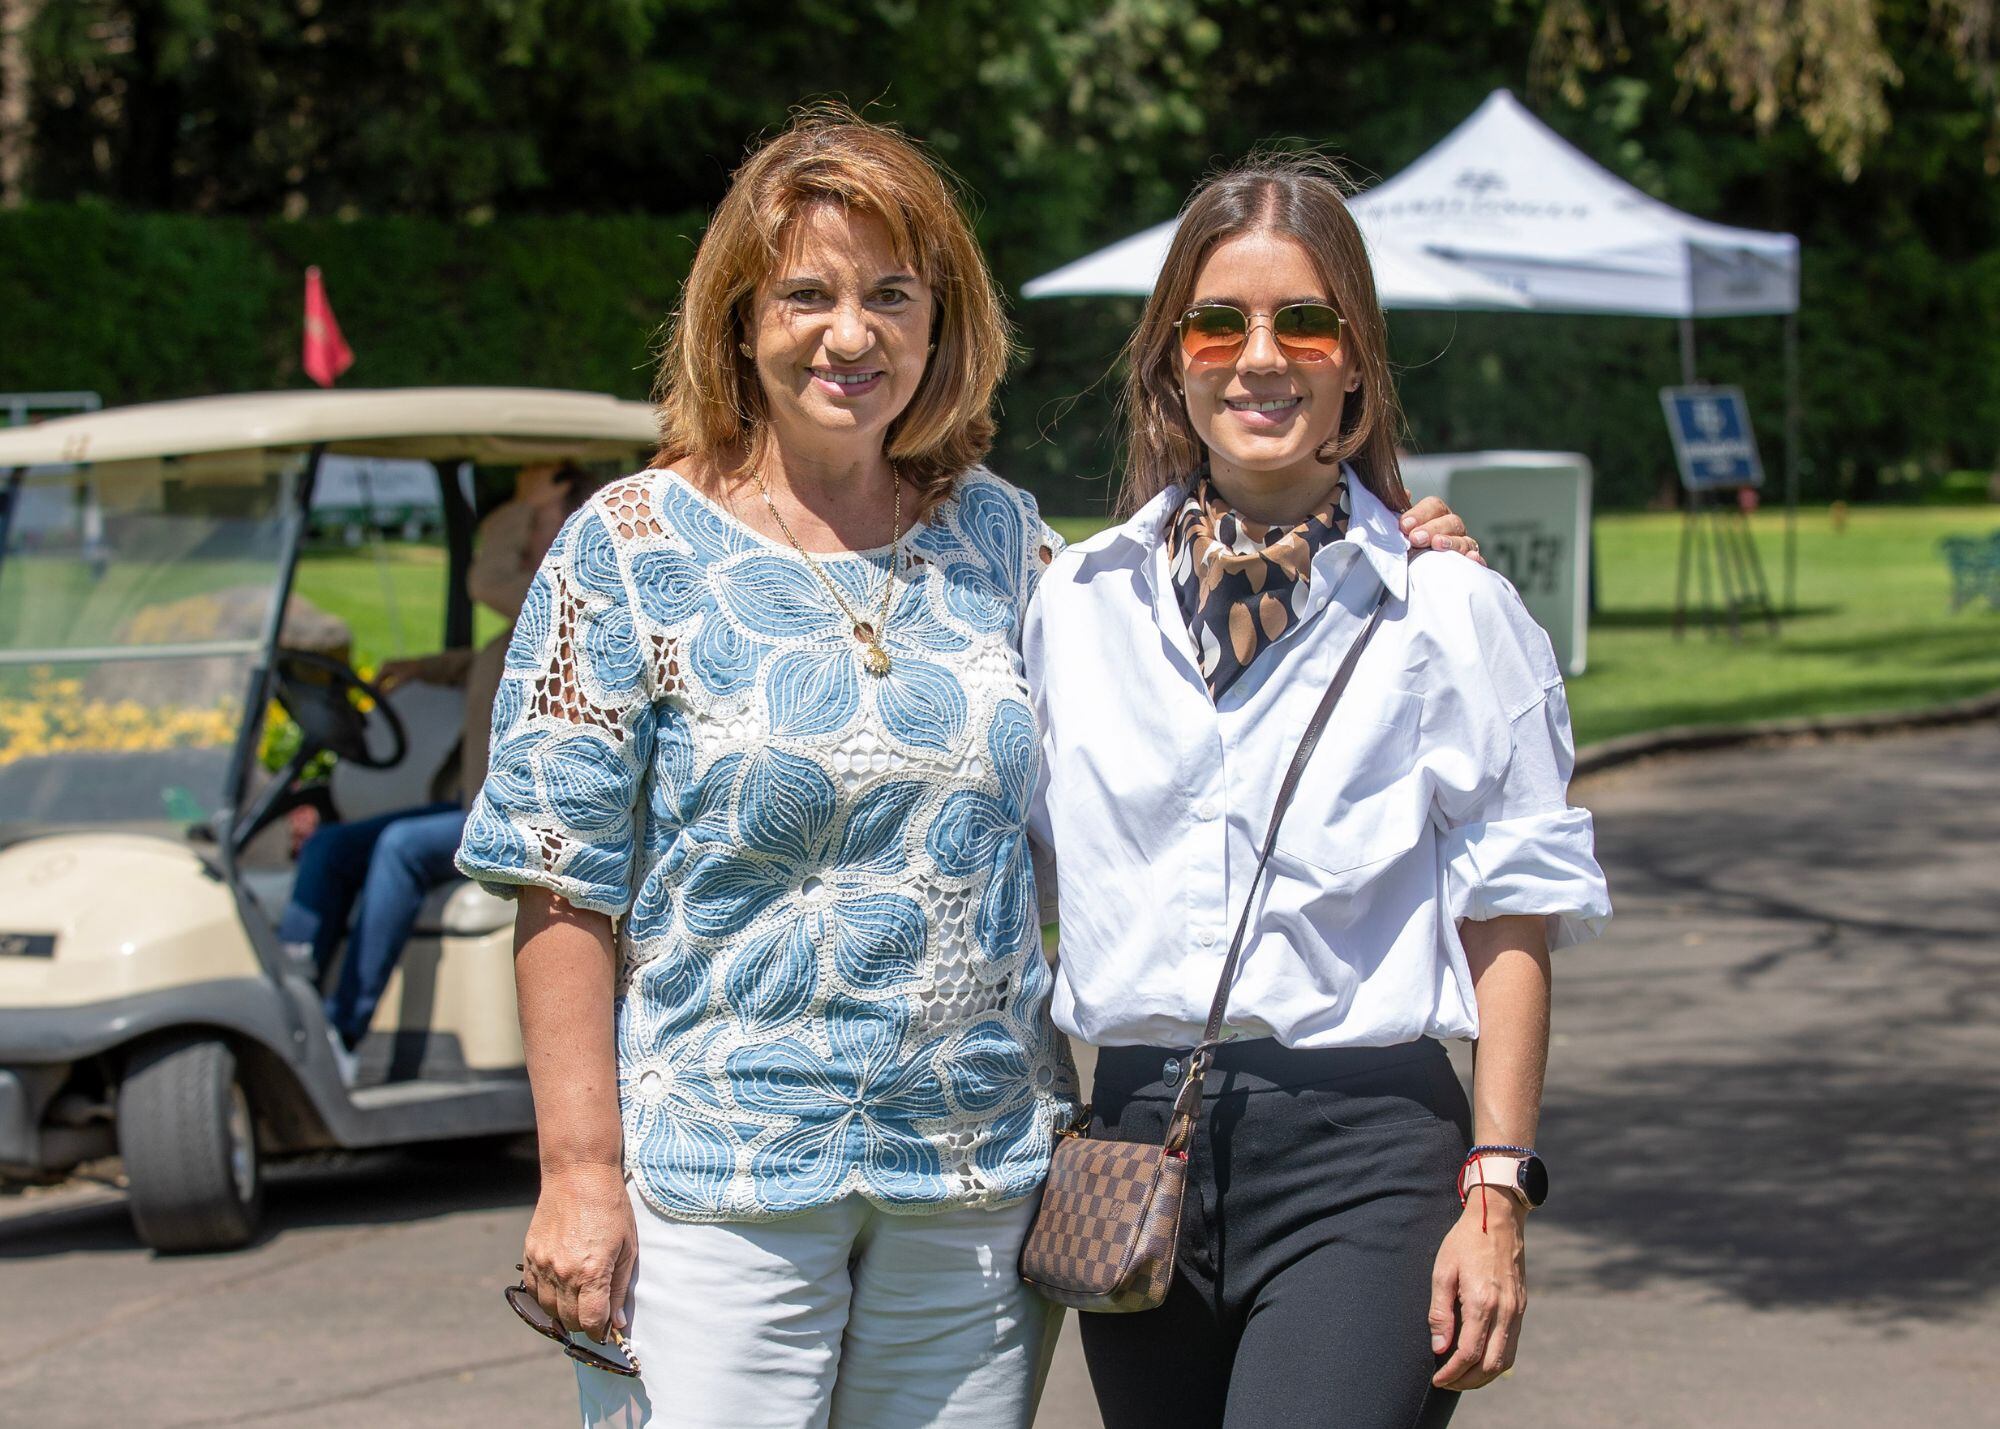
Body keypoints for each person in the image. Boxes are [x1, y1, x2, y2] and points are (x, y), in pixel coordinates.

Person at [455, 111, 1478, 1429]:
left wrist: (1385, 547)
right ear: (736, 320)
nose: (850, 334)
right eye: (808, 295)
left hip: (978, 1181)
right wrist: (578, 1175)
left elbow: (1185, 710)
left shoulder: (1001, 542)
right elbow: (559, 881)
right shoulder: (629, 552)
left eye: (892, 296)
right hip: (723, 1181)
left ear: (942, 325)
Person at [1023, 152, 1612, 1429]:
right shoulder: (1071, 606)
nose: (1259, 356)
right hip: (1130, 1148)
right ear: (1169, 357)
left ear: (1354, 358)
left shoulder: (1445, 608)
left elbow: (1510, 912)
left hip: (1366, 1157)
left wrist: (1494, 1192)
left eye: (1302, 320)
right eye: (1218, 322)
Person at [279, 463, 592, 1082]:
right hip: (476, 807)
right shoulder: (537, 621)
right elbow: (492, 659)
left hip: (530, 823)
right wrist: (425, 667)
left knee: (398, 847)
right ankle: (293, 998)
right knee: (334, 847)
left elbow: (488, 581)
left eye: (541, 522)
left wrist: (514, 512)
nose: (531, 534)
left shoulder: (576, 597)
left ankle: (343, 1034)